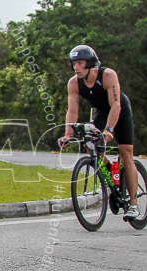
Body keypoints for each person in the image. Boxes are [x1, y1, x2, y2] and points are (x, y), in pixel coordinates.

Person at [58, 45, 139, 218]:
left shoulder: (108, 75)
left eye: (80, 63)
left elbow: (115, 105)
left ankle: (133, 204)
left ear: (91, 64)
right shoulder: (74, 83)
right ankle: (111, 172)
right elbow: (72, 111)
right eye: (74, 64)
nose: (76, 67)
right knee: (90, 144)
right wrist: (68, 134)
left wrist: (109, 131)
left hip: (120, 111)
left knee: (126, 154)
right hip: (101, 113)